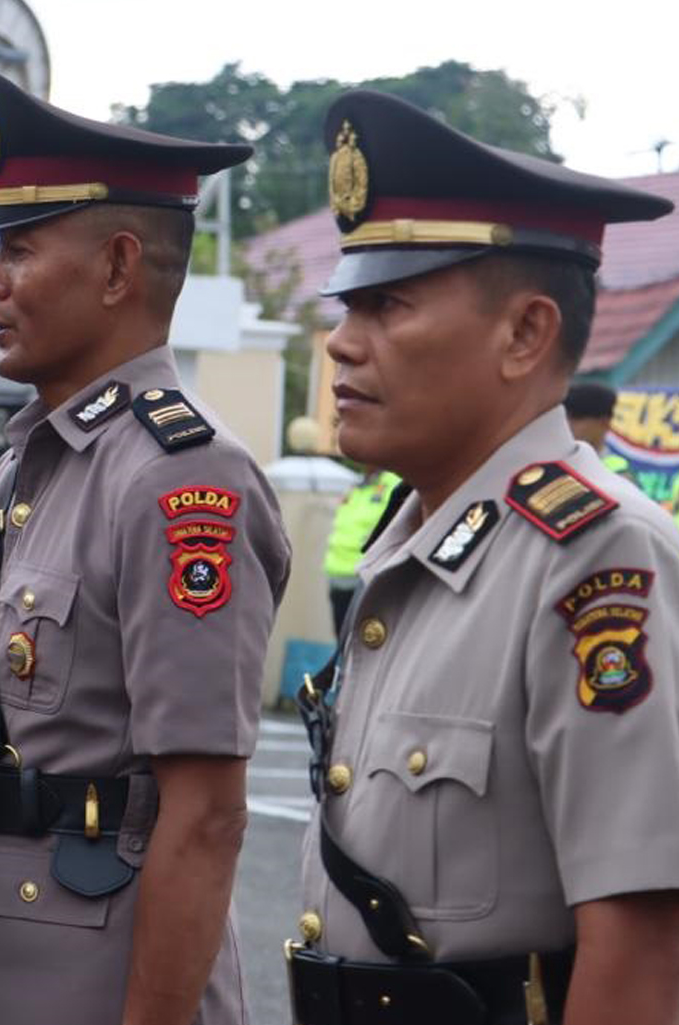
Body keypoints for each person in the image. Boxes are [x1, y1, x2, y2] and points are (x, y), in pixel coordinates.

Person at [0, 75, 292, 1025]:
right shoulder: (37, 461)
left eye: (19, 250)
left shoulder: (178, 480)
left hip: (82, 982)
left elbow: (203, 818)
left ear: (117, 269)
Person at [289, 89, 679, 1025]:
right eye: (348, 305)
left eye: (388, 305)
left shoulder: (595, 557)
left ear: (525, 334)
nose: (343, 342)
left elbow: (642, 952)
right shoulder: (416, 542)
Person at [322, 466, 400, 633]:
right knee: (343, 645)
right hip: (338, 575)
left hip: (366, 576)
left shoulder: (394, 484)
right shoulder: (356, 487)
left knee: (364, 644)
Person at [563, 380, 632, 476]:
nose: (568, 424)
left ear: (604, 422)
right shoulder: (559, 461)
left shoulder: (617, 471)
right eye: (565, 417)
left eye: (576, 418)